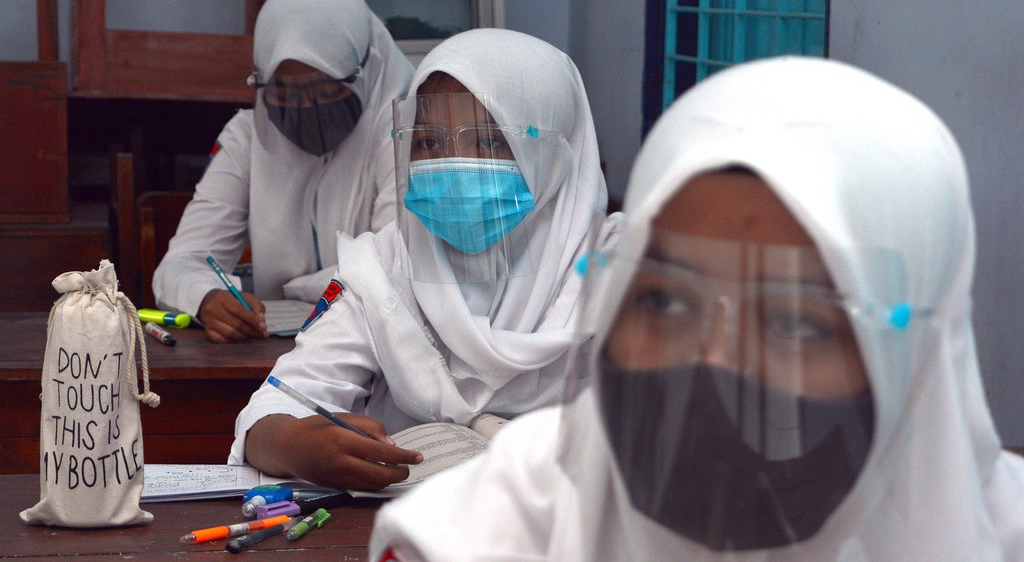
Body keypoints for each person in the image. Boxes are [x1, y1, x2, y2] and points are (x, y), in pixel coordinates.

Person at [368, 56, 1024, 560]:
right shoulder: (525, 501)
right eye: (663, 300)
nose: (711, 360)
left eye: (795, 321)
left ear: (914, 353)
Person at [228, 29, 622, 491]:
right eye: (430, 143)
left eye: (490, 142)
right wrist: (292, 444)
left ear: (555, 151)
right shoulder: (385, 264)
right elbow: (278, 405)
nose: (455, 165)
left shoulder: (623, 271)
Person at [152, 0, 413, 343]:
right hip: (268, 357)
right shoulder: (247, 137)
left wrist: (291, 290)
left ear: (365, 69)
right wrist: (207, 298)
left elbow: (392, 267)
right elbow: (181, 264)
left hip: (377, 354)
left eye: (326, 90)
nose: (307, 109)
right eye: (286, 93)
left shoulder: (406, 132)